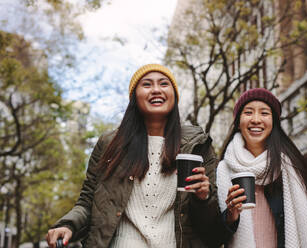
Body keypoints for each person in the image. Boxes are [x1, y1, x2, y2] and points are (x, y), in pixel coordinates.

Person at [46, 64, 230, 248]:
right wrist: (67, 225)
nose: (156, 90)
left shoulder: (198, 146)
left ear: (174, 94)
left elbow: (212, 229)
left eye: (164, 84)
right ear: (135, 96)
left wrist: (203, 197)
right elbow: (88, 203)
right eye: (147, 84)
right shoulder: (110, 144)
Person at [216, 88, 307, 248]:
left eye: (264, 113)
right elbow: (211, 235)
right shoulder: (223, 171)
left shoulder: (290, 167)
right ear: (238, 122)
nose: (256, 119)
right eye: (248, 112)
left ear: (273, 123)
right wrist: (231, 216)